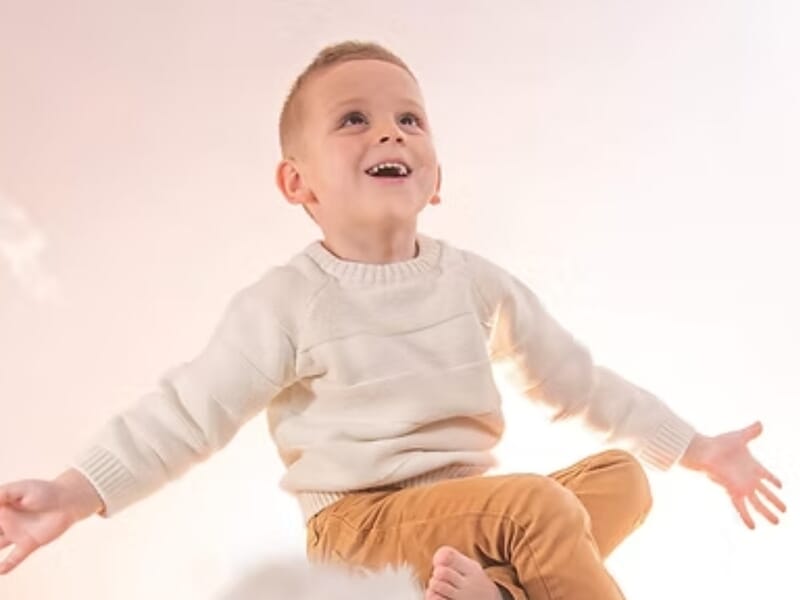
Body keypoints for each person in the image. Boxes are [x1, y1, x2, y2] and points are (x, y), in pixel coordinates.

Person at [0, 41, 787, 599]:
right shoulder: (290, 300)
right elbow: (185, 412)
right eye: (353, 120)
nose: (389, 131)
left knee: (621, 479)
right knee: (539, 508)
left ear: (436, 177)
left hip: (472, 519)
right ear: (296, 181)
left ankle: (497, 597)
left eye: (410, 120)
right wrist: (76, 492)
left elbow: (575, 382)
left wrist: (694, 448)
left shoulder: (475, 283)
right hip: (359, 527)